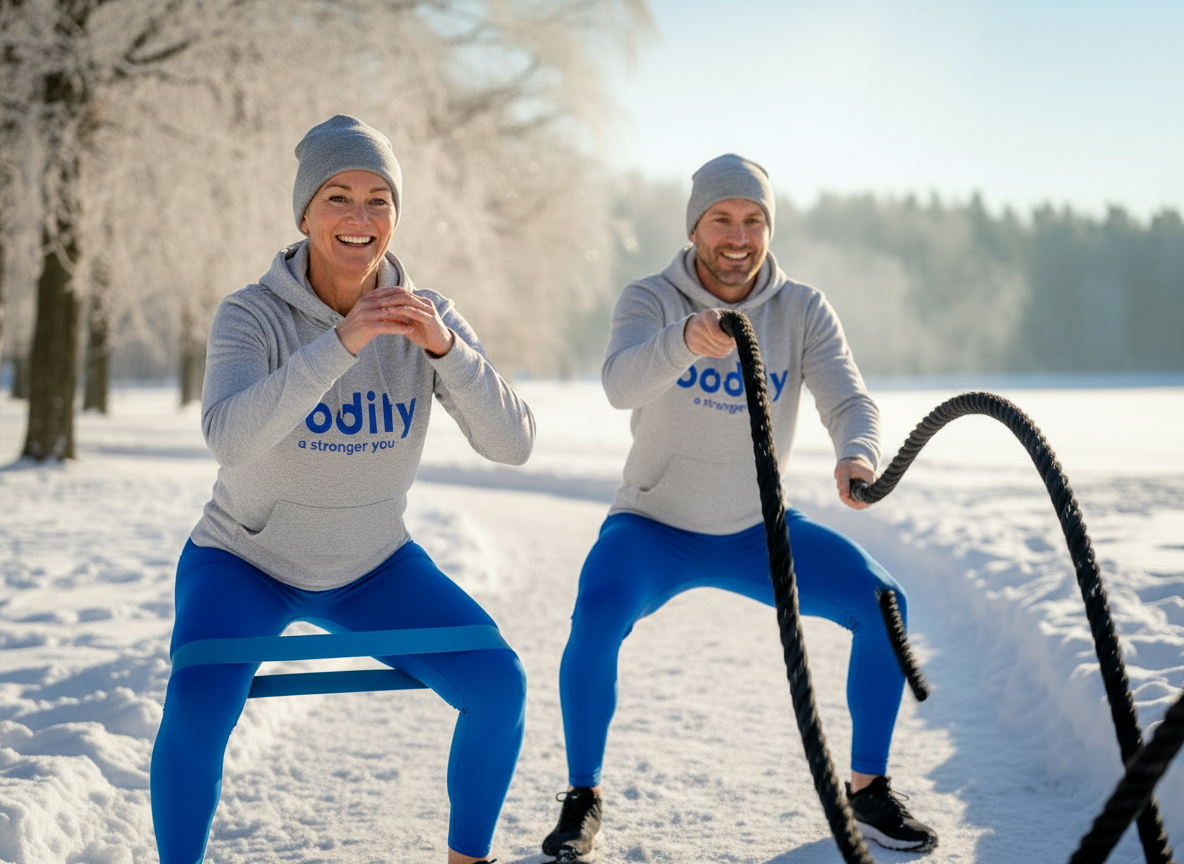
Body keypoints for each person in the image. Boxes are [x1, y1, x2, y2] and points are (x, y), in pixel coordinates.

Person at [150, 115, 533, 864]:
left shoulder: (430, 316)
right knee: (197, 703)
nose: (360, 219)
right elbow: (228, 437)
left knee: (499, 686)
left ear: (395, 215)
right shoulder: (249, 314)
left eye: (378, 200)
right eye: (338, 197)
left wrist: (447, 352)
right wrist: (343, 342)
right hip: (244, 562)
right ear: (304, 213)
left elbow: (512, 444)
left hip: (373, 566)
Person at [541, 154, 937, 860]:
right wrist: (681, 342)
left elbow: (849, 398)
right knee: (596, 615)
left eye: (753, 219)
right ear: (695, 226)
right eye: (721, 218)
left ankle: (867, 789)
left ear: (768, 228)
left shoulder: (802, 308)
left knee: (885, 603)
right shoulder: (650, 297)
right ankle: (583, 796)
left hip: (761, 530)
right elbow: (620, 384)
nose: (738, 234)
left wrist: (858, 453)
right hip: (653, 525)